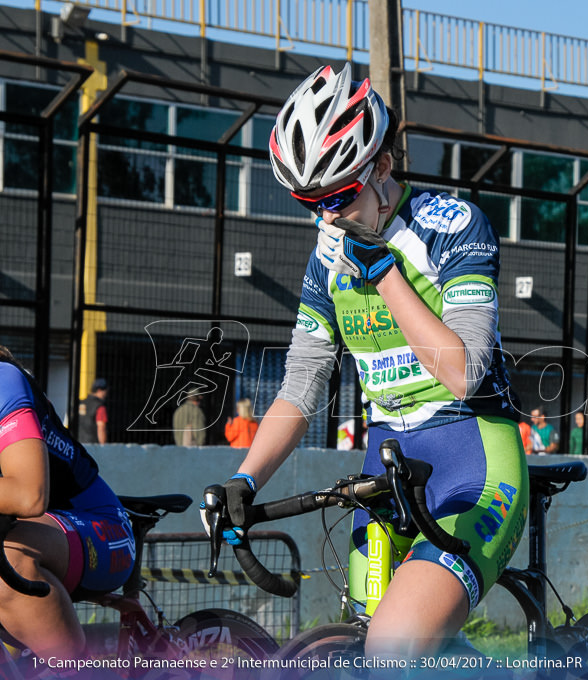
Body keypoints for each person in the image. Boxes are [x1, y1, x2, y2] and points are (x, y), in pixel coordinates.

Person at [208, 63, 528, 659]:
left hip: (474, 463)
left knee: (391, 646)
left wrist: (382, 271)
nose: (326, 219)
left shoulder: (451, 226)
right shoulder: (324, 262)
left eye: (338, 197)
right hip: (387, 470)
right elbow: (301, 388)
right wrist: (244, 480)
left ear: (382, 166)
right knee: (360, 649)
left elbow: (464, 371)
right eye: (310, 203)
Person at [0, 345, 134, 661]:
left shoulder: (3, 379)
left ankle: (76, 670)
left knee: (11, 557)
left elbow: (27, 494)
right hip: (45, 533)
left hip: (102, 528)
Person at [77, 377, 109, 444]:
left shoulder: (80, 403)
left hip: (78, 443)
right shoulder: (100, 407)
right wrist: (103, 447)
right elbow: (101, 428)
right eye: (105, 391)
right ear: (99, 390)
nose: (106, 394)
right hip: (92, 445)